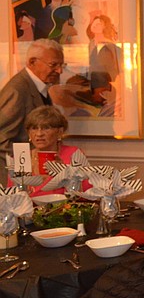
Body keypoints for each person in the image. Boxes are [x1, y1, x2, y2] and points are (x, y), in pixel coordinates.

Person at [0, 39, 65, 182]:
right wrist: (30, 160)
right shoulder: (17, 90)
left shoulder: (38, 86)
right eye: (53, 65)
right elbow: (1, 139)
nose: (59, 70)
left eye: (61, 65)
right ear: (32, 62)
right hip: (15, 182)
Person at [7, 105, 87, 197]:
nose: (39, 134)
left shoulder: (74, 154)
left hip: (62, 209)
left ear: (60, 132)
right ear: (28, 133)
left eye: (46, 128)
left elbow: (83, 194)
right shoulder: (21, 157)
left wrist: (65, 174)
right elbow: (11, 197)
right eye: (34, 128)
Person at [76, 13, 122, 107]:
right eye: (94, 23)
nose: (95, 25)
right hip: (92, 83)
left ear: (105, 27)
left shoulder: (110, 46)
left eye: (99, 24)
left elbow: (114, 71)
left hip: (105, 86)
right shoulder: (91, 44)